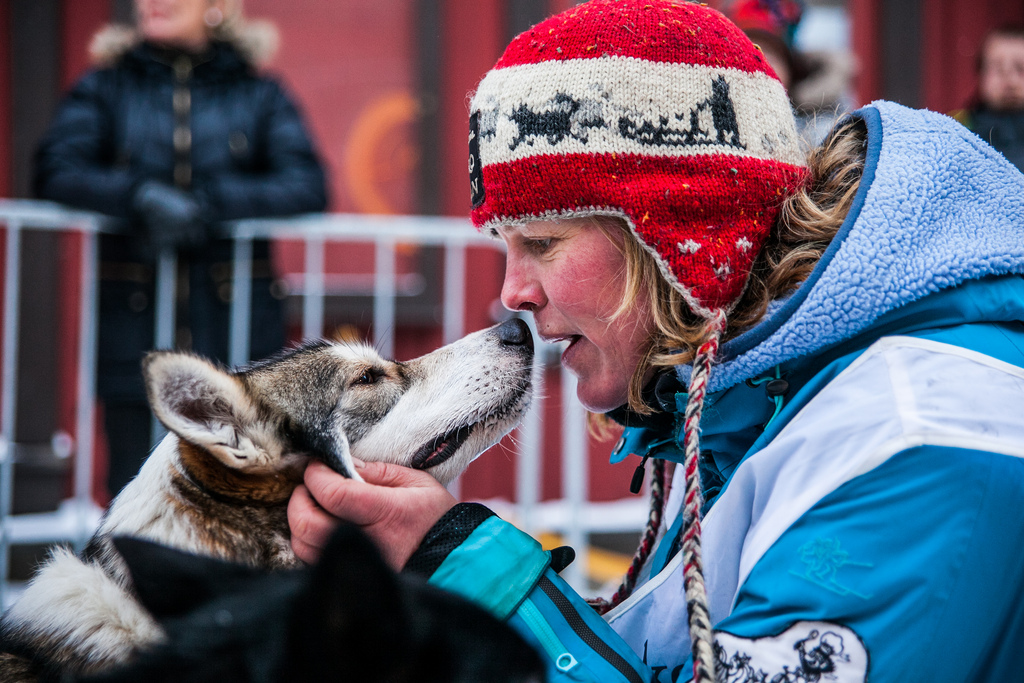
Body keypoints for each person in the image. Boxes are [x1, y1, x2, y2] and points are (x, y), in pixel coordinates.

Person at [288, 2, 1024, 681]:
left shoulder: (919, 434)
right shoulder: (741, 398)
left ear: (682, 241)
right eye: (505, 244)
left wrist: (461, 565)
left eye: (542, 241)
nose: (513, 292)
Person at [34, 0, 327, 498]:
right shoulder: (106, 86)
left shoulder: (257, 91)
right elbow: (56, 170)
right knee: (135, 488)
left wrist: (210, 205)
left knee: (240, 486)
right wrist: (138, 197)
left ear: (216, 6)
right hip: (135, 322)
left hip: (236, 326)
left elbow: (306, 184)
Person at [954, 24, 1024, 171]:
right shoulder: (958, 126)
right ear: (980, 74)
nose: (1010, 80)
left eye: (1020, 68)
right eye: (998, 69)